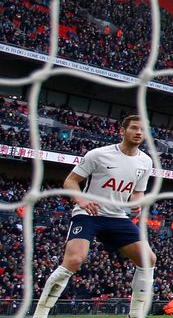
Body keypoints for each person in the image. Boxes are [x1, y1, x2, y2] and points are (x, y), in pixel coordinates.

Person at [33, 115, 155, 318]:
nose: (139, 133)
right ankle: (40, 314)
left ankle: (136, 315)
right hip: (89, 214)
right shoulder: (98, 154)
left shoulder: (146, 161)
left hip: (117, 217)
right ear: (122, 131)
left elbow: (138, 192)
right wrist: (81, 201)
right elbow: (71, 181)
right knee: (74, 260)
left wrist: (137, 204)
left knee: (148, 259)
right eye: (134, 128)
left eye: (142, 130)